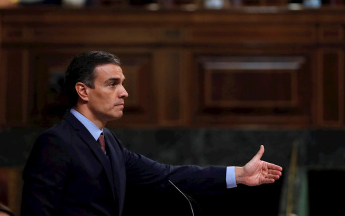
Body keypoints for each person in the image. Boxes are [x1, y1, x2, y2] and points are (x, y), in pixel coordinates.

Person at [21, 51, 283, 216]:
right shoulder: (55, 143)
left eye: (122, 84)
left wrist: (238, 174)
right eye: (112, 84)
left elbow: (166, 175)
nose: (124, 93)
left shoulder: (108, 141)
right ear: (83, 91)